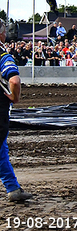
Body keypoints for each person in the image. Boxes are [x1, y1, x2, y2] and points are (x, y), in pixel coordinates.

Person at [0, 20, 32, 202]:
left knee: (1, 150)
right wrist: (15, 97)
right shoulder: (4, 56)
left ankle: (12, 188)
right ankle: (12, 188)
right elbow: (14, 81)